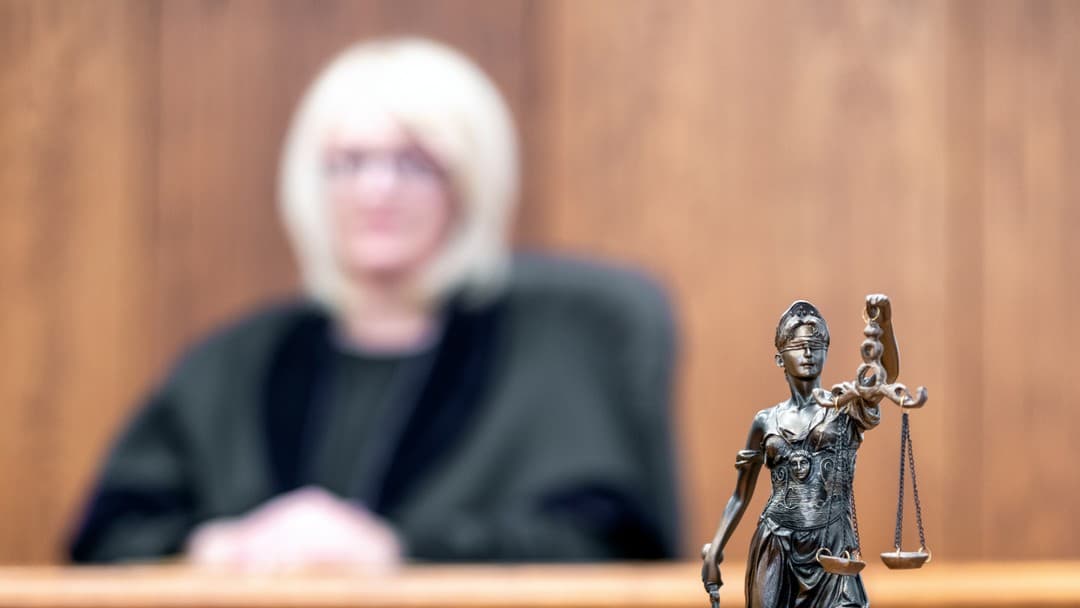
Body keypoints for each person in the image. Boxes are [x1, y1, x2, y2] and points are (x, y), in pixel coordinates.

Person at [68, 38, 680, 569]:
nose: (376, 189)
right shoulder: (233, 362)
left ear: (471, 184)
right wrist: (216, 546)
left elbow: (608, 545)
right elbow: (107, 540)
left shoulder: (556, 356)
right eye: (349, 162)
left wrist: (397, 549)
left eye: (413, 164)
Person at [700, 295, 897, 608]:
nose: (808, 353)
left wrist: (884, 323)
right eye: (798, 346)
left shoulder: (845, 407)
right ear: (780, 359)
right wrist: (715, 550)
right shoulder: (765, 421)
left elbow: (887, 376)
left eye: (816, 346)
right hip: (776, 545)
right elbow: (740, 495)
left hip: (832, 546)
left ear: (826, 353)